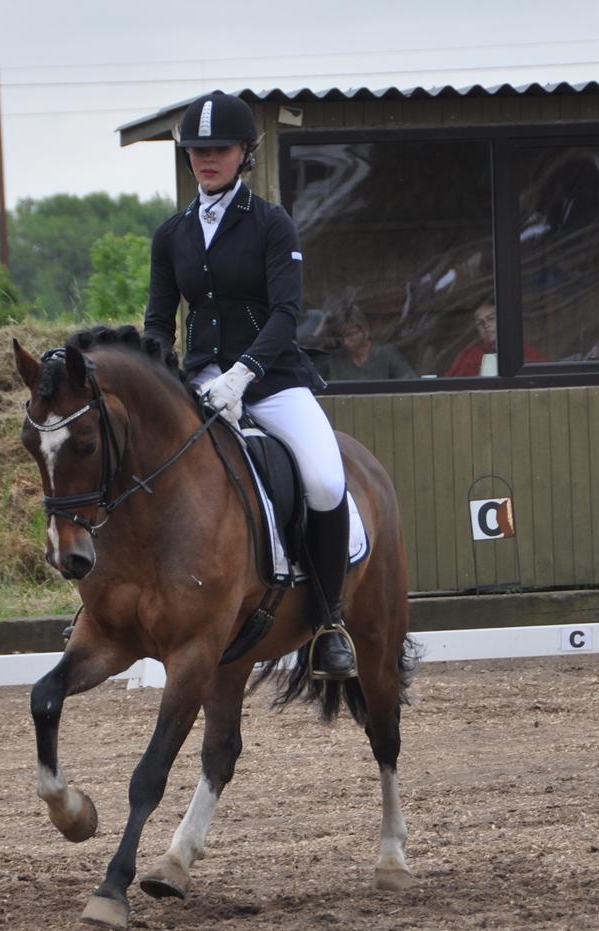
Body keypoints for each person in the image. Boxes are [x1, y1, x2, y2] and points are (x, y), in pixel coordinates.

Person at [142, 90, 353, 676]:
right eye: (196, 151)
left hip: (271, 380)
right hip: (198, 382)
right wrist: (164, 380)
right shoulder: (172, 235)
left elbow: (286, 313)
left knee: (324, 479)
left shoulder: (270, 223)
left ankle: (330, 621)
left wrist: (242, 374)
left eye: (219, 149)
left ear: (244, 154)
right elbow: (160, 320)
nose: (206, 159)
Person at [445, 300, 544, 377]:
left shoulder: (525, 352)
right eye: (480, 323)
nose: (486, 325)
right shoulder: (470, 355)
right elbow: (450, 384)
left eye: (491, 318)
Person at [322, 304, 417, 382]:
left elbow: (410, 382)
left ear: (364, 330)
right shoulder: (336, 360)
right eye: (341, 337)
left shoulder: (386, 354)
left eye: (351, 335)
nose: (346, 342)